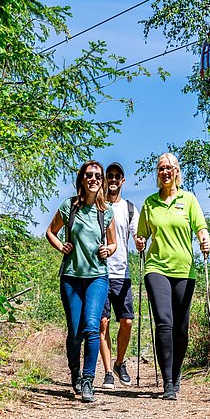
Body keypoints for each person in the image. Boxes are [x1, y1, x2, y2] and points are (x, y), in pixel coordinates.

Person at [135, 153, 210, 400]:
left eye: (169, 168)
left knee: (181, 327)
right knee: (164, 323)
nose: (165, 172)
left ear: (177, 171)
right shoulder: (150, 203)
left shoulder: (188, 200)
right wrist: (140, 241)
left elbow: (201, 227)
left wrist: (204, 240)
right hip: (156, 268)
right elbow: (142, 234)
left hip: (184, 270)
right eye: (160, 169)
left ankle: (176, 372)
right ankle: (167, 381)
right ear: (157, 174)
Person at [46, 160, 117, 403]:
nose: (93, 179)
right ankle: (75, 373)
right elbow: (50, 232)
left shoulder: (106, 211)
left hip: (97, 276)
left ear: (102, 181)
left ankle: (88, 380)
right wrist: (60, 247)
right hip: (71, 278)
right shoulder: (69, 207)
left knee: (91, 326)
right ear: (81, 179)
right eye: (89, 175)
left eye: (97, 175)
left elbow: (114, 242)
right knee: (75, 332)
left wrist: (109, 249)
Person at [98, 162, 139, 388]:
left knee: (127, 321)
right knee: (102, 323)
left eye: (117, 176)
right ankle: (107, 372)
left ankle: (119, 363)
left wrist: (141, 242)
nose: (113, 180)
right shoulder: (97, 206)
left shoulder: (130, 208)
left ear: (123, 180)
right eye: (110, 176)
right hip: (99, 272)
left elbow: (137, 235)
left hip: (122, 273)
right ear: (106, 180)